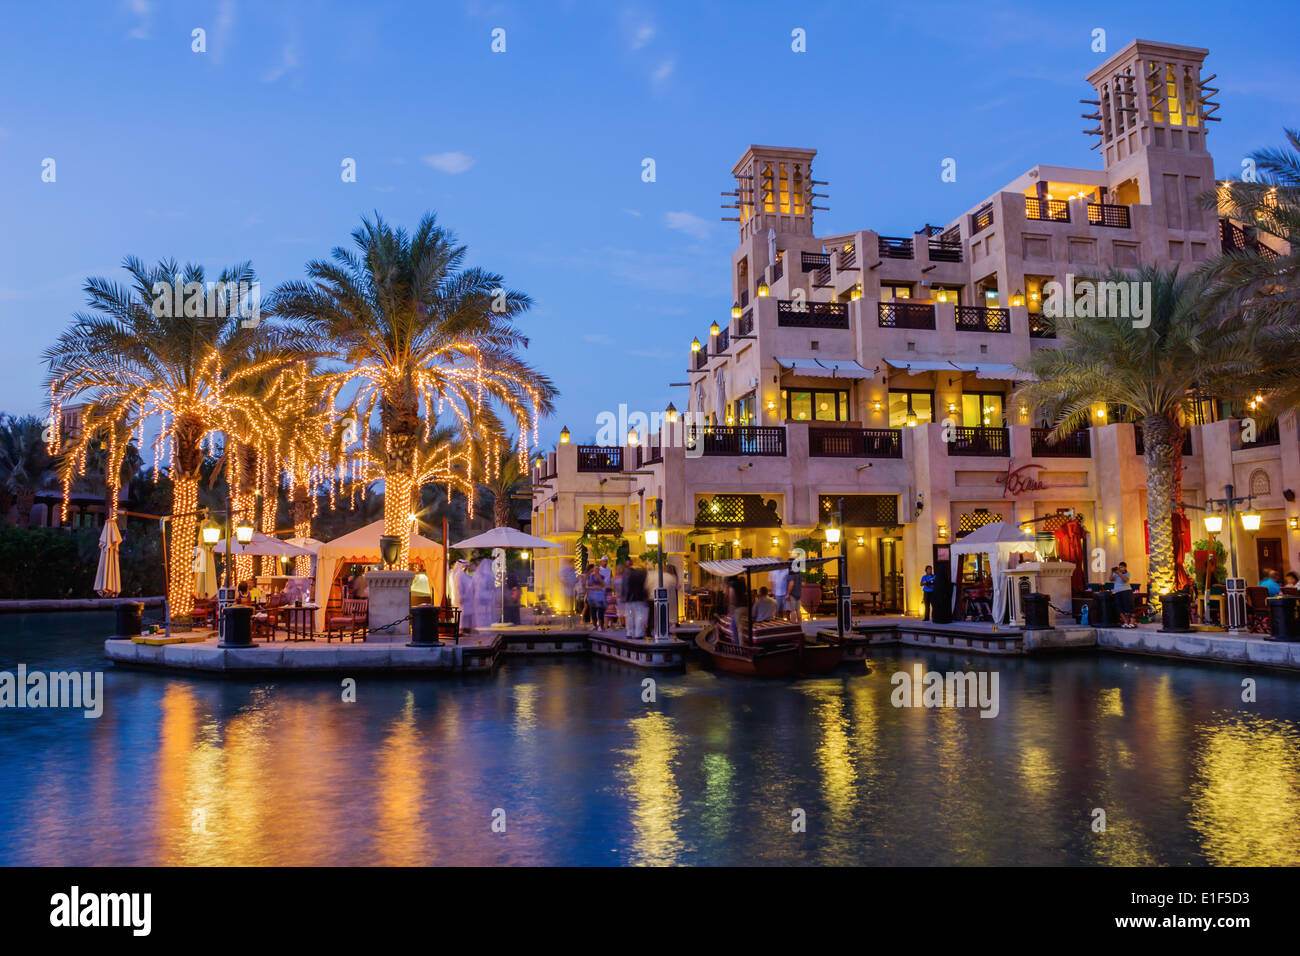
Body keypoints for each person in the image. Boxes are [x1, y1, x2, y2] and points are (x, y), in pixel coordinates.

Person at [624, 558, 650, 639]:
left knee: (629, 616)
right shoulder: (642, 578)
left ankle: (629, 633)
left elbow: (626, 588)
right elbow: (645, 589)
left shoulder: (630, 577)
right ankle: (638, 633)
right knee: (639, 616)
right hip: (639, 599)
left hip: (629, 599)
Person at [727, 576, 750, 643]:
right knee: (734, 626)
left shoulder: (732, 585)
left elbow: (732, 597)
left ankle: (739, 646)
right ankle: (738, 643)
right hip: (746, 607)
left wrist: (731, 606)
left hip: (738, 608)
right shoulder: (742, 583)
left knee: (738, 628)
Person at [1112, 561, 1135, 628]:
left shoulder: (1127, 573)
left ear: (1125, 567)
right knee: (1119, 607)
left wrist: (1119, 573)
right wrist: (1112, 572)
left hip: (1126, 591)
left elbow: (1125, 580)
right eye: (1119, 567)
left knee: (1129, 607)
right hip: (1117, 592)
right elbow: (1111, 579)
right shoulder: (1116, 574)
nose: (1120, 568)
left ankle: (1132, 622)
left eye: (1121, 567)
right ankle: (1125, 621)